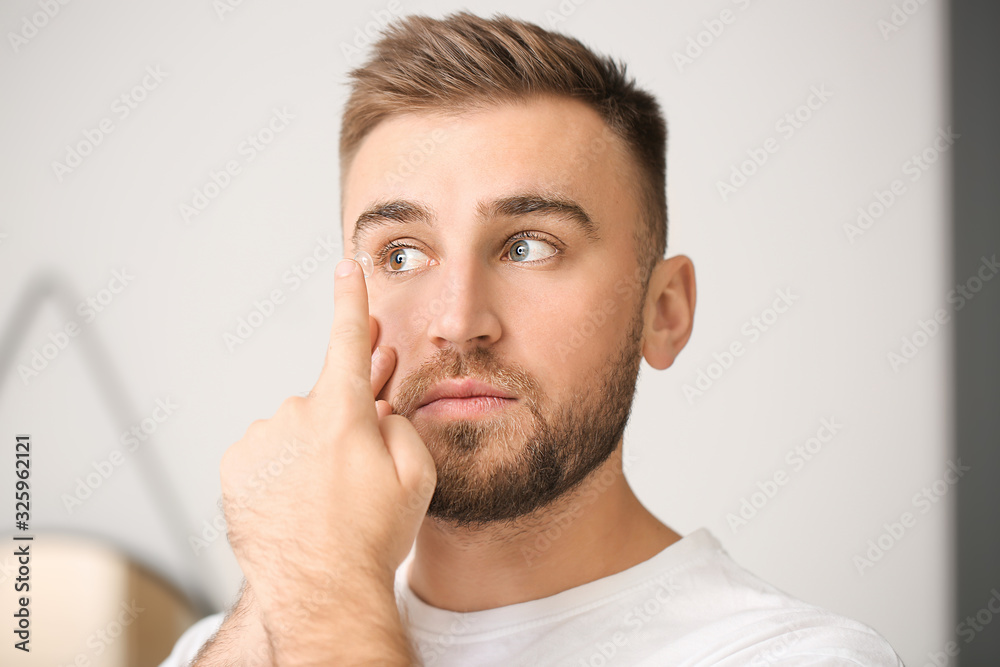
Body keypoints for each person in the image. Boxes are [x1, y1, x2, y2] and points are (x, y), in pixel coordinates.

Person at [160, 11, 904, 666]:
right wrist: (298, 576)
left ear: (665, 310)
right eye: (401, 254)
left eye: (528, 246)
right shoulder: (235, 639)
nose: (456, 320)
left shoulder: (792, 655)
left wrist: (323, 581)